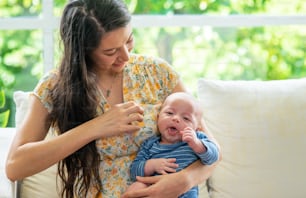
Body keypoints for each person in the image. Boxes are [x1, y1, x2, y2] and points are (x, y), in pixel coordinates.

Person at [5, 0, 220, 197]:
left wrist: (184, 180)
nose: (126, 56)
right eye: (111, 51)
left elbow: (212, 149)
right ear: (84, 52)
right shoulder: (55, 86)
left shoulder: (158, 73)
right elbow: (16, 166)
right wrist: (97, 126)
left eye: (129, 40)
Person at [127, 92, 219, 198]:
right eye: (170, 113)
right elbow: (134, 172)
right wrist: (152, 165)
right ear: (158, 117)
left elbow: (213, 157)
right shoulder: (150, 144)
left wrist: (197, 144)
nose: (176, 119)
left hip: (184, 193)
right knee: (137, 186)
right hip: (154, 189)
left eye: (186, 118)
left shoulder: (197, 139)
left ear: (196, 128)